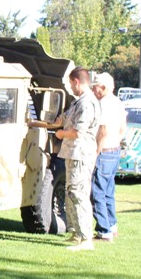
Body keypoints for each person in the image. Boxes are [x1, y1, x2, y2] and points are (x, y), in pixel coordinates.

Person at [55, 66, 100, 251]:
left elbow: (77, 132)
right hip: (72, 154)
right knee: (71, 193)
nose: (70, 88)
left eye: (71, 83)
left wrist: (61, 134)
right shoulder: (78, 102)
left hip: (81, 155)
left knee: (79, 195)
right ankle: (76, 234)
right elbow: (63, 119)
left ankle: (85, 238)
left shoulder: (86, 103)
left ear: (76, 81)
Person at [90, 72, 127, 242]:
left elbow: (103, 131)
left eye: (95, 86)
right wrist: (115, 143)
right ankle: (112, 226)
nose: (93, 89)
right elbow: (122, 129)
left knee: (97, 191)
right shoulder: (118, 103)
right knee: (109, 191)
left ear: (103, 87)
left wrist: (96, 151)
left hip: (104, 152)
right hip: (115, 150)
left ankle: (104, 231)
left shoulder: (103, 104)